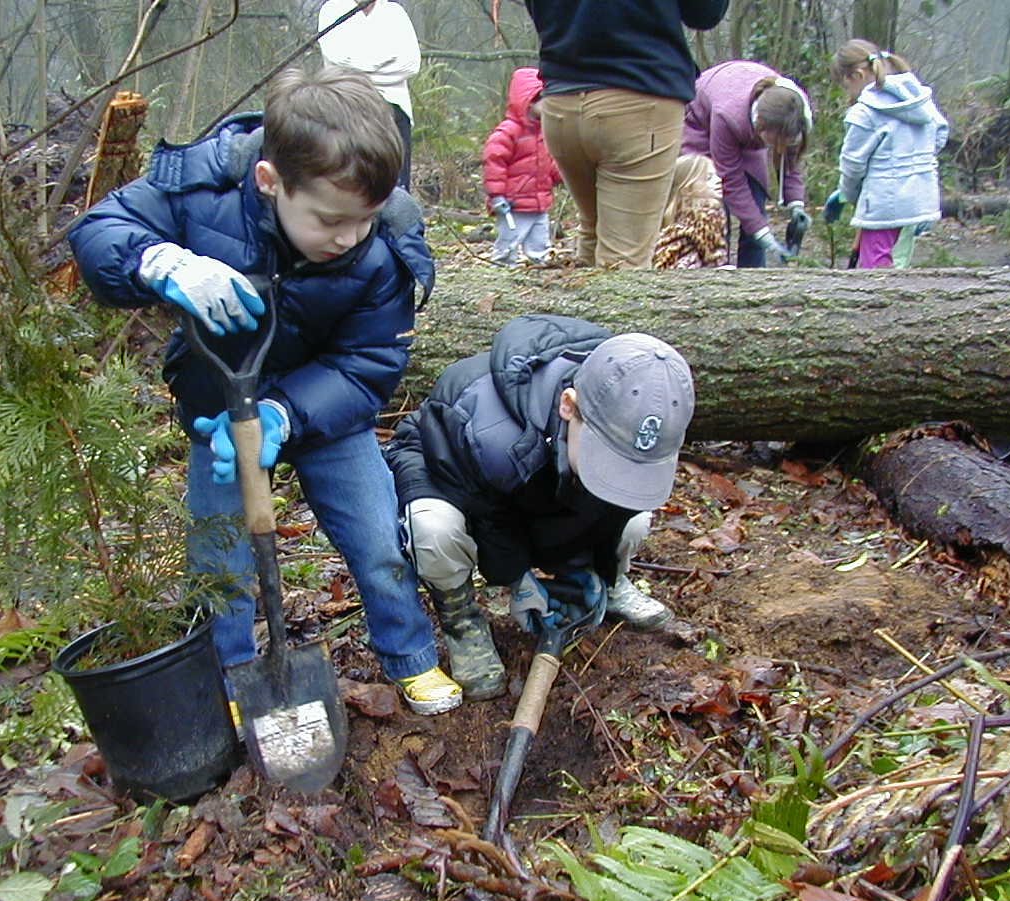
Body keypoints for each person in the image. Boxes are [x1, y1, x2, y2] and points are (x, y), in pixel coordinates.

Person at [68, 66, 464, 717]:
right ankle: (232, 676)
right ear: (270, 182)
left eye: (362, 219)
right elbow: (98, 232)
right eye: (331, 220)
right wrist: (164, 262)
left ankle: (412, 657)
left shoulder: (385, 240)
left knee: (376, 535)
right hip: (219, 400)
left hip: (328, 410)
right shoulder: (205, 185)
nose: (348, 237)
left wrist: (286, 413)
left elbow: (368, 363)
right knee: (219, 551)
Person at [384, 314, 695, 700]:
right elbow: (489, 516)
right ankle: (460, 617)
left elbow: (616, 502)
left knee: (635, 516)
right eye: (608, 457)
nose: (618, 472)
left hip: (539, 483)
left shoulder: (637, 399)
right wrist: (517, 580)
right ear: (569, 406)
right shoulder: (489, 431)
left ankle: (612, 584)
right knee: (434, 527)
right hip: (452, 472)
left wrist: (593, 569)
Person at [523, 0, 730, 268]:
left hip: (561, 102)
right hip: (638, 96)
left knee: (593, 234)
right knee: (624, 263)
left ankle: (570, 309)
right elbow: (704, 13)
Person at [823, 39, 948, 269]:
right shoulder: (918, 98)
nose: (846, 92)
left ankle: (879, 304)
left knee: (875, 268)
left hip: (882, 203)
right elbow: (939, 133)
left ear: (858, 75)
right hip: (920, 198)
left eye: (845, 85)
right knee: (898, 261)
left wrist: (847, 195)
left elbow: (853, 165)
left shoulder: (863, 113)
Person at [681, 60, 813, 267]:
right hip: (700, 125)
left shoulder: (794, 112)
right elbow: (730, 180)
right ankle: (714, 273)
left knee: (755, 203)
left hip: (745, 130)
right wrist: (762, 232)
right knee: (713, 210)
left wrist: (796, 204)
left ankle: (755, 280)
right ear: (760, 127)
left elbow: (790, 160)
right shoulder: (728, 116)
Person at [317, 0, 421, 191]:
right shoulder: (332, 10)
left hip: (394, 112)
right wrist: (383, 61)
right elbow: (340, 61)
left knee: (396, 188)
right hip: (346, 108)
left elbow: (410, 64)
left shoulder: (394, 13)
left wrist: (362, 66)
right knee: (351, 184)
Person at [482, 67, 561, 266]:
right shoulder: (508, 132)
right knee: (510, 239)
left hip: (540, 201)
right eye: (547, 101)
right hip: (514, 204)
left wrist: (565, 176)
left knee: (540, 242)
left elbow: (550, 164)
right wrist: (497, 196)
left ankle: (540, 266)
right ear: (530, 99)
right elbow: (494, 164)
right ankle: (502, 265)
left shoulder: (545, 132)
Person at [652, 153, 727, 269]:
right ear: (688, 187)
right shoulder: (705, 215)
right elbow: (715, 259)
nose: (718, 180)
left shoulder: (673, 214)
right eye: (708, 178)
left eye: (717, 175)